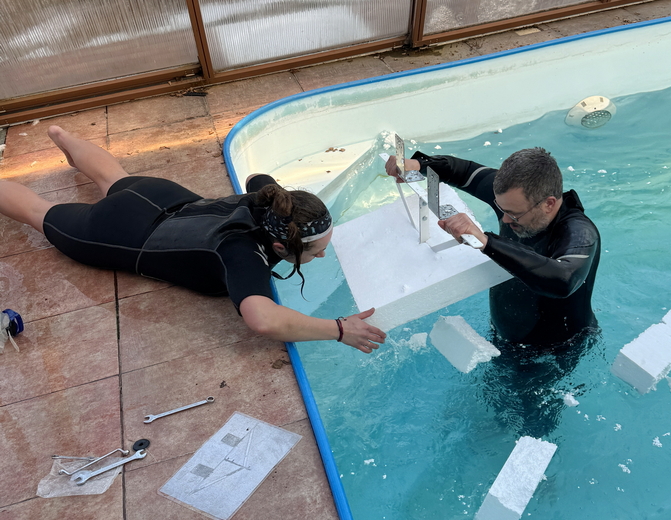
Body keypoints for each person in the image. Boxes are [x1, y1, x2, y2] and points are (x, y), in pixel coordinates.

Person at [0, 126, 386, 353]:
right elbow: (263, 320)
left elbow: (256, 178)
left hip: (159, 195)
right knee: (37, 211)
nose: (322, 256)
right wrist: (338, 329)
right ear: (280, 247)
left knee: (113, 177)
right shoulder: (241, 252)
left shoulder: (271, 201)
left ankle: (61, 136)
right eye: (316, 252)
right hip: (122, 231)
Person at [386, 145, 601, 433]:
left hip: (554, 350)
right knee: (498, 403)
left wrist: (488, 242)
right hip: (509, 334)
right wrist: (419, 164)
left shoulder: (580, 233)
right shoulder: (513, 198)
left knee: (534, 422)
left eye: (514, 215)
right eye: (501, 210)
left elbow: (563, 280)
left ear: (549, 204)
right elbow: (464, 171)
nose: (506, 220)